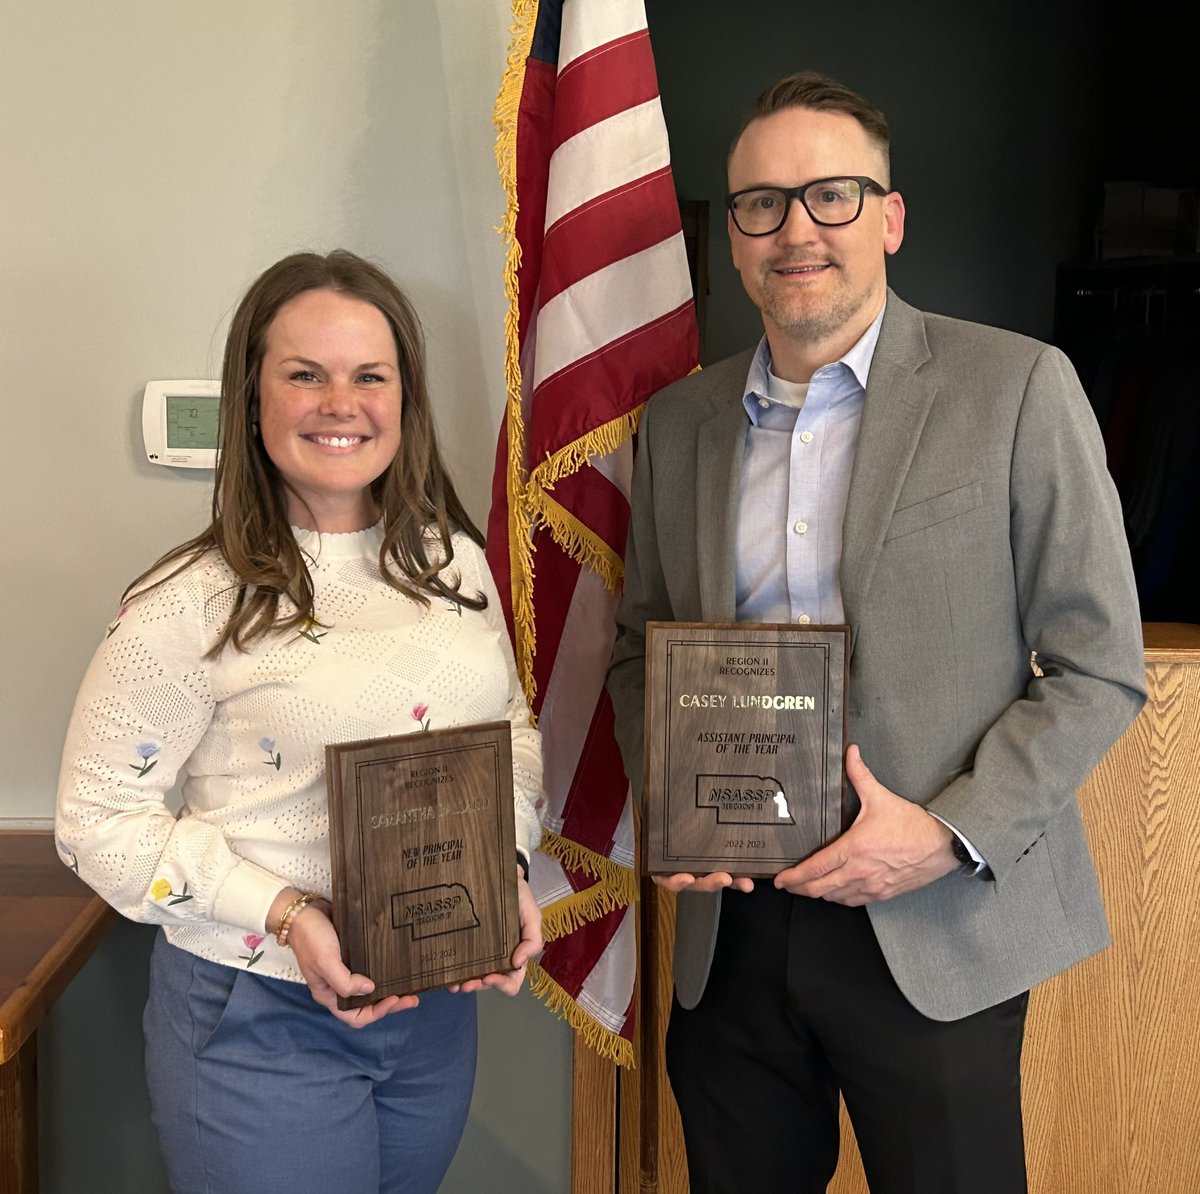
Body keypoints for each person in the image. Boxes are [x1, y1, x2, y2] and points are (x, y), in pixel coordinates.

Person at [607, 73, 1147, 1194]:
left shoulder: (1017, 387)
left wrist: (947, 834)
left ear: (889, 217)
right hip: (732, 931)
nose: (796, 228)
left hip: (936, 919)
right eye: (762, 203)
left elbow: (1099, 667)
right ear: (735, 238)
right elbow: (639, 641)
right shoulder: (680, 422)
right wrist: (677, 795)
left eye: (833, 196)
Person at [56, 250, 544, 1194]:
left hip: (434, 1006)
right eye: (304, 375)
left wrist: (506, 862)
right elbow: (95, 820)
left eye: (370, 375)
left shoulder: (457, 567)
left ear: (405, 397)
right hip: (259, 1012)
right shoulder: (186, 602)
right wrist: (285, 915)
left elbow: (513, 733)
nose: (341, 403)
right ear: (252, 397)